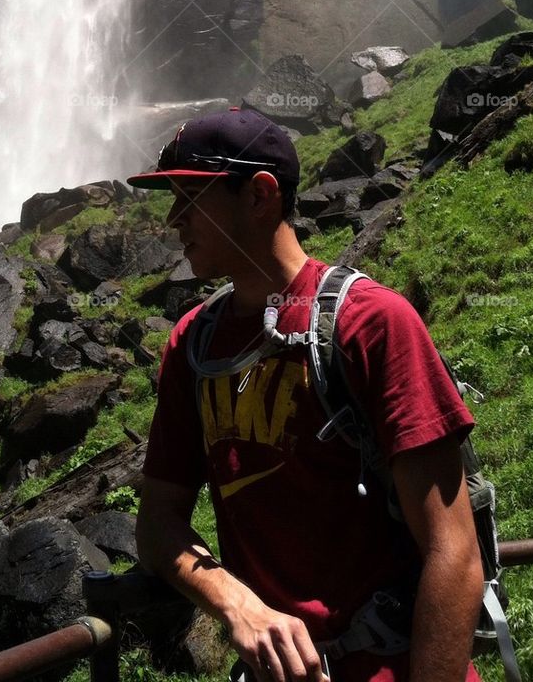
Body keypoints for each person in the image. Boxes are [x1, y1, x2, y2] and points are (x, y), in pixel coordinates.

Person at [128, 108, 483, 682]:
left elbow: (455, 552)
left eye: (190, 199)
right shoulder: (192, 344)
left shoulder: (370, 324)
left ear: (259, 195)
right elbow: (157, 523)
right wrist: (235, 602)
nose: (174, 219)